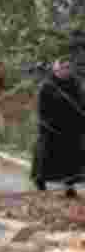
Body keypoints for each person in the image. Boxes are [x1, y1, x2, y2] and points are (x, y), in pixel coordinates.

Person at [31, 58, 85, 197]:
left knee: (71, 158)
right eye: (63, 68)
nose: (66, 71)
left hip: (71, 127)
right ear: (56, 70)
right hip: (51, 128)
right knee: (46, 156)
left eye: (68, 68)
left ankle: (69, 186)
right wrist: (46, 124)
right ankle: (40, 180)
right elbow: (41, 108)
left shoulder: (75, 84)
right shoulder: (47, 85)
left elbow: (81, 103)